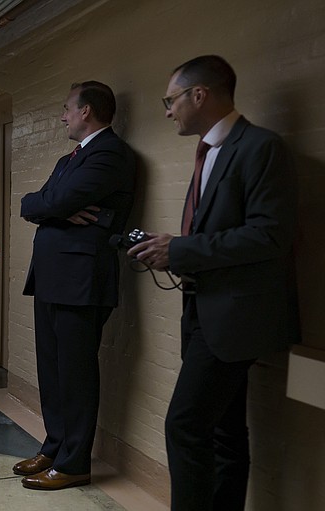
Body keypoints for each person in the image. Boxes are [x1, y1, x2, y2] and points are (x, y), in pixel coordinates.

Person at [128, 55, 298, 510]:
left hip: (236, 318)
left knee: (184, 425)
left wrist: (180, 250)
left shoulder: (261, 147)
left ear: (198, 95)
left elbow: (270, 235)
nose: (168, 111)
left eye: (171, 100)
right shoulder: (209, 151)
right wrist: (169, 253)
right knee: (225, 432)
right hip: (205, 311)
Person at [15, 82, 136, 490]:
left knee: (76, 373)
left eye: (67, 108)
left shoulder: (110, 155)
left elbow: (53, 202)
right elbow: (35, 202)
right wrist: (53, 209)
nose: (63, 116)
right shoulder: (73, 157)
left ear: (86, 111)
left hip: (81, 281)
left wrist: (52, 208)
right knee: (52, 369)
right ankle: (54, 447)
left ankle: (74, 463)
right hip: (54, 278)